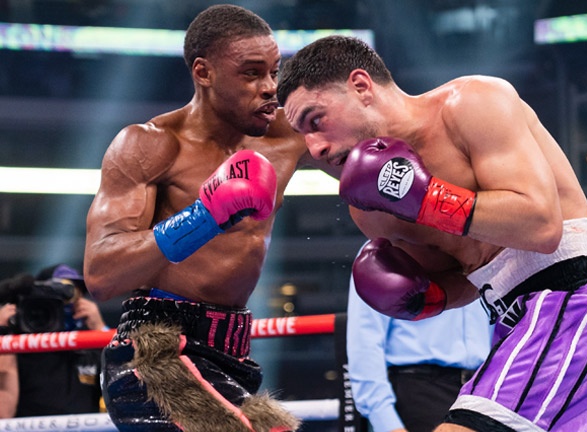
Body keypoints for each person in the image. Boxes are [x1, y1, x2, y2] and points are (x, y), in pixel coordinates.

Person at [277, 36, 587, 432]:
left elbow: (541, 226)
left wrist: (427, 198)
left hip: (572, 302)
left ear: (361, 86)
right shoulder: (369, 210)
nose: (315, 147)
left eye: (316, 121)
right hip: (511, 320)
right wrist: (434, 298)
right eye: (303, 136)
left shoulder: (473, 104)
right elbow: (473, 275)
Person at [83, 4, 335, 432]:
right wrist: (204, 217)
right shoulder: (151, 145)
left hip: (232, 354)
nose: (270, 88)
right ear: (204, 72)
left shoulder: (285, 138)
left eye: (274, 71)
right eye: (252, 73)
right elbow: (102, 274)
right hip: (156, 354)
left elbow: (379, 139)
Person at [347, 241, 492, 432]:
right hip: (417, 391)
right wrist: (387, 422)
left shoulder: (486, 248)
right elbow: (365, 341)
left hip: (482, 392)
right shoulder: (387, 248)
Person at [0, 264, 107, 419]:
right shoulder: (17, 342)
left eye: (73, 294)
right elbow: (3, 414)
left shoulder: (88, 342)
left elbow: (127, 390)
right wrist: (3, 335)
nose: (65, 302)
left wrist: (100, 330)